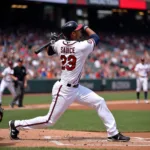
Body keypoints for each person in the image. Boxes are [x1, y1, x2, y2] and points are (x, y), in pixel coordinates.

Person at [9, 21, 130, 142]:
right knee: (49, 121)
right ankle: (16, 124)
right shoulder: (81, 46)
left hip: (76, 88)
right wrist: (86, 27)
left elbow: (50, 52)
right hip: (64, 90)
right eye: (77, 30)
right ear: (72, 34)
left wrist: (52, 42)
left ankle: (113, 133)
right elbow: (95, 37)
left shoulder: (60, 43)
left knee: (99, 101)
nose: (80, 32)